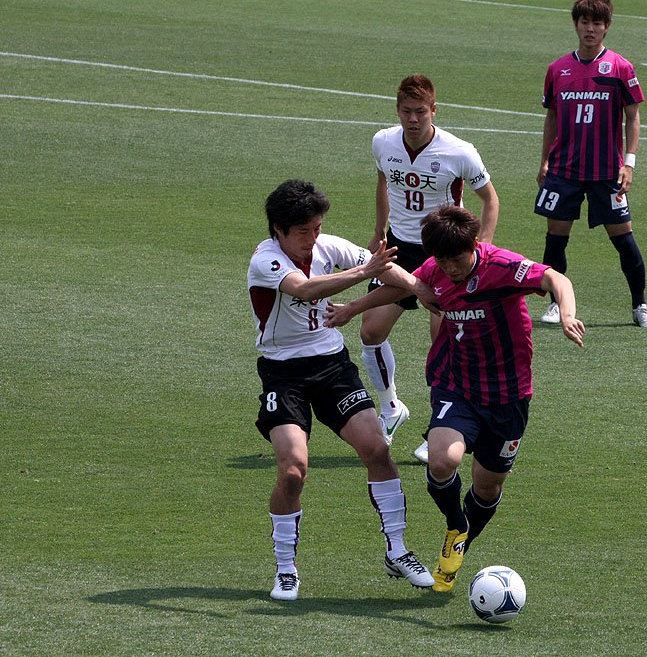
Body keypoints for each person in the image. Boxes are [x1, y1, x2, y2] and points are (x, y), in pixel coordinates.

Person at [325, 206, 585, 592]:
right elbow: (404, 287)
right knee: (443, 460)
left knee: (487, 487)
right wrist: (352, 308)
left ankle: (461, 542)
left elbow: (554, 277)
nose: (450, 269)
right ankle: (455, 525)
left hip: (509, 395)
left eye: (457, 260)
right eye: (443, 261)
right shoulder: (436, 268)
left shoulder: (502, 267)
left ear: (475, 245)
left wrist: (566, 315)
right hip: (456, 386)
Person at [246, 179, 435, 600]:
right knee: (293, 469)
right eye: (303, 231)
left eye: (317, 228)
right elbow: (306, 289)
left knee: (377, 449)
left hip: (332, 367)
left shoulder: (328, 246)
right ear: (278, 229)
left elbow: (388, 271)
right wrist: (365, 272)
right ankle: (286, 569)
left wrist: (419, 288)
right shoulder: (265, 260)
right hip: (283, 374)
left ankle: (398, 550)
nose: (313, 238)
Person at [362, 74, 500, 464]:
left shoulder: (459, 152)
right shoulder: (382, 142)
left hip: (443, 254)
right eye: (406, 111)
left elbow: (490, 200)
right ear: (397, 110)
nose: (413, 119)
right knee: (370, 331)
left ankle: (439, 429)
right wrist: (379, 230)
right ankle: (391, 408)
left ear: (434, 110)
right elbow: (383, 182)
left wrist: (482, 248)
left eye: (420, 112)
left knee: (444, 343)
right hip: (399, 251)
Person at [535, 0, 647, 329]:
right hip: (564, 170)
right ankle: (557, 305)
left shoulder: (620, 68)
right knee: (555, 236)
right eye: (585, 22)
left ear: (607, 27)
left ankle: (640, 305)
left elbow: (632, 116)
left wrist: (629, 163)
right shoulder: (558, 69)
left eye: (597, 23)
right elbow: (551, 117)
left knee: (623, 238)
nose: (590, 29)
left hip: (607, 171)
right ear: (576, 24)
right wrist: (544, 160)